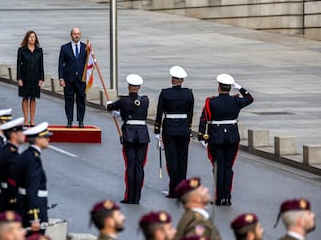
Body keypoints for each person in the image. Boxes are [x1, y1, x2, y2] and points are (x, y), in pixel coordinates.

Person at [198, 74, 253, 206]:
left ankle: (219, 197)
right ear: (230, 88)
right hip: (232, 138)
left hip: (216, 137)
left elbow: (204, 119)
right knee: (228, 168)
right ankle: (227, 198)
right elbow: (249, 98)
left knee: (218, 167)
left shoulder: (211, 102)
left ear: (219, 88)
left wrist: (201, 137)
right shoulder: (236, 101)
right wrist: (238, 86)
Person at [106, 74, 150, 204]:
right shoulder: (145, 100)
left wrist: (110, 105)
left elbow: (111, 107)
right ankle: (136, 198)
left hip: (129, 134)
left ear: (129, 86)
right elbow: (135, 113)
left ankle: (129, 196)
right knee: (139, 167)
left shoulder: (123, 101)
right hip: (142, 135)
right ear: (139, 87)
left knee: (130, 166)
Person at [154, 66, 194, 198]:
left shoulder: (165, 93)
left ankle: (173, 190)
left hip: (169, 128)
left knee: (171, 160)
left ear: (172, 80)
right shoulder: (189, 93)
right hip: (183, 128)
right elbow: (190, 112)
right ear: (182, 81)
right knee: (183, 159)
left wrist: (157, 129)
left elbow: (159, 112)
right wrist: (188, 127)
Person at [15, 122, 52, 233]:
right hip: (34, 206)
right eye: (45, 137)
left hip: (23, 204)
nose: (48, 140)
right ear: (37, 140)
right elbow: (32, 189)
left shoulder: (27, 155)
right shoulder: (33, 159)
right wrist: (34, 218)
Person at [58, 28, 87, 128]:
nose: (76, 36)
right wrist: (61, 78)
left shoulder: (85, 47)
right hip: (68, 79)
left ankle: (81, 121)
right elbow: (61, 64)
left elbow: (89, 62)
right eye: (75, 34)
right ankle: (69, 120)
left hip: (81, 79)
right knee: (68, 100)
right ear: (71, 35)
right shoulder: (64, 48)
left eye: (78, 34)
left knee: (81, 100)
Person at [17, 30, 44, 126]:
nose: (32, 39)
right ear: (27, 38)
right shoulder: (22, 50)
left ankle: (32, 120)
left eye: (34, 37)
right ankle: (25, 119)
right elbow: (19, 65)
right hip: (25, 77)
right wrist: (19, 78)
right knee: (25, 98)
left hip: (35, 78)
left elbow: (41, 65)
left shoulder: (39, 50)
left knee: (33, 98)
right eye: (30, 37)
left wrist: (41, 79)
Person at [0, 117, 25, 212]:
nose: (23, 135)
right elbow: (12, 180)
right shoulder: (10, 154)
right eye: (21, 132)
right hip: (9, 198)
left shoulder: (7, 150)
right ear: (13, 135)